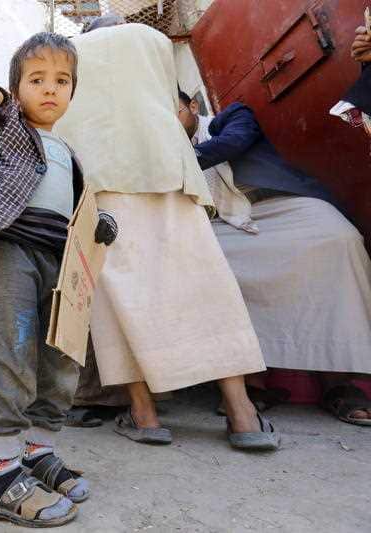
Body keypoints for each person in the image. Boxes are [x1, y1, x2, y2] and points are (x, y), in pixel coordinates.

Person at [55, 21, 277, 452]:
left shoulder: (66, 53)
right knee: (205, 286)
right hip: (168, 170)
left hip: (101, 182)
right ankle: (242, 414)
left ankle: (145, 415)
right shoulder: (150, 39)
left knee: (122, 300)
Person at [0, 32, 98, 527]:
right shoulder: (3, 126)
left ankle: (36, 452)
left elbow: (77, 206)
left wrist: (101, 222)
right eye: (36, 79)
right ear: (16, 87)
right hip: (12, 248)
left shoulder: (69, 150)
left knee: (61, 358)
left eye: (62, 81)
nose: (50, 89)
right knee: (13, 353)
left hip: (61, 258)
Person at [179, 89, 371, 426]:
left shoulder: (231, 117)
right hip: (224, 223)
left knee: (340, 240)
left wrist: (174, 159)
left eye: (174, 110)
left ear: (193, 106)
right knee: (206, 264)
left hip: (281, 205)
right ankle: (252, 384)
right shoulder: (161, 146)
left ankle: (337, 383)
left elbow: (233, 143)